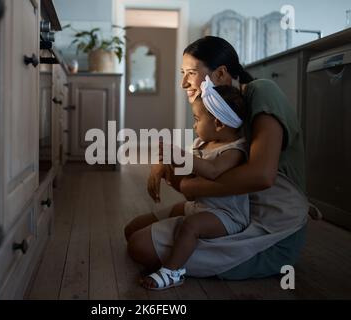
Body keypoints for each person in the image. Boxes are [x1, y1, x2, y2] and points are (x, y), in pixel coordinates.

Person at [124, 36, 309, 284]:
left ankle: (175, 268)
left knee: (139, 246)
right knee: (132, 230)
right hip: (222, 205)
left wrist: (188, 187)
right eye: (183, 73)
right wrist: (165, 165)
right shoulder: (216, 112)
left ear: (221, 73)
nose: (183, 83)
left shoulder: (261, 91)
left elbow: (262, 176)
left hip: (269, 225)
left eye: (190, 73)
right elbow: (197, 157)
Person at [141, 78, 250, 290]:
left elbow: (212, 170)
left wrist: (181, 156)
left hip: (227, 215)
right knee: (141, 225)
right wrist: (162, 165)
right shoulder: (202, 142)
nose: (193, 125)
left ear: (218, 123)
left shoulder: (234, 150)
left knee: (191, 226)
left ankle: (173, 271)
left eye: (196, 119)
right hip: (203, 206)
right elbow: (185, 168)